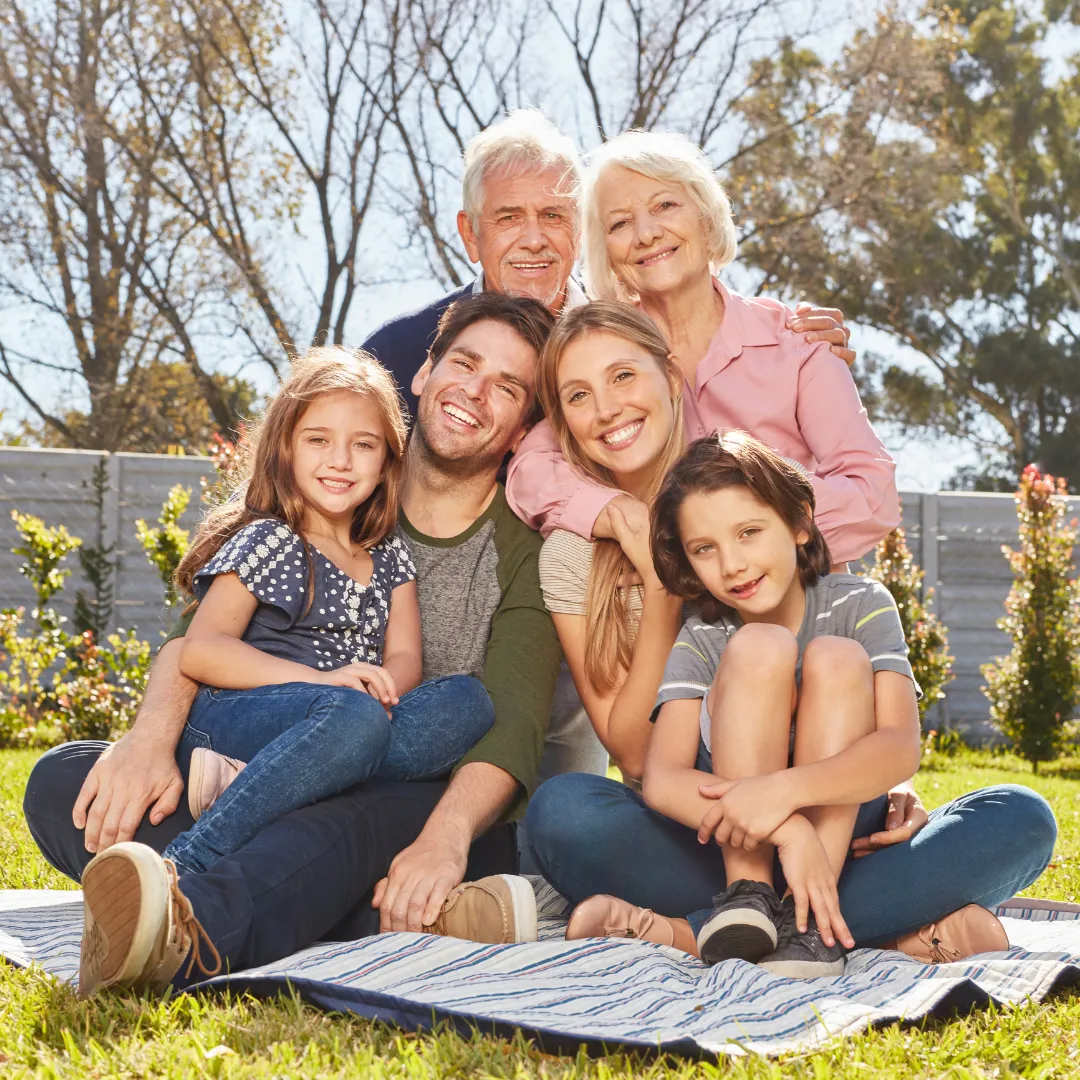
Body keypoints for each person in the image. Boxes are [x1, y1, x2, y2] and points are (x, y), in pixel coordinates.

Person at [24, 294, 562, 996]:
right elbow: (197, 646)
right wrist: (151, 742)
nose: (476, 391)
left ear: (525, 425)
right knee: (66, 780)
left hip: (415, 803)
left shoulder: (525, 552)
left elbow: (512, 726)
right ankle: (416, 921)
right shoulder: (324, 504)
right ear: (425, 372)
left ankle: (187, 927)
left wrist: (445, 837)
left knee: (400, 758)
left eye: (509, 386)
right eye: (464, 362)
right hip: (271, 746)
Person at [158, 348, 495, 877]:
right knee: (351, 719)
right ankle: (184, 863)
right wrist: (329, 685)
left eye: (363, 445)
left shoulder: (389, 555)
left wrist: (380, 689)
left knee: (467, 700)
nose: (340, 460)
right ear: (286, 448)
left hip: (352, 717)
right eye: (318, 440)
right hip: (241, 715)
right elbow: (202, 651)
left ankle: (277, 780)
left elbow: (405, 656)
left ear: (387, 460)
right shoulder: (269, 539)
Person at [507, 129, 898, 569]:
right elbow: (530, 473)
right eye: (620, 223)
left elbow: (874, 493)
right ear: (608, 254)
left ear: (707, 217)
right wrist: (622, 515)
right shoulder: (599, 353)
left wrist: (741, 529)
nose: (647, 233)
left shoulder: (798, 343)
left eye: (665, 206)